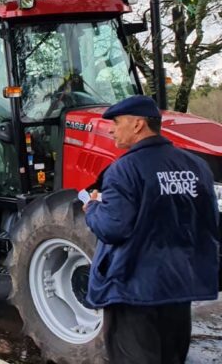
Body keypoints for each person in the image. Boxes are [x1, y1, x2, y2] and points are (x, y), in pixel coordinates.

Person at [84, 95, 219, 363]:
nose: (110, 129)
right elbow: (211, 222)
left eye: (116, 122)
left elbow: (113, 228)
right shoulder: (197, 166)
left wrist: (93, 209)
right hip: (180, 287)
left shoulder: (124, 169)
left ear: (137, 125)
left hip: (135, 290)